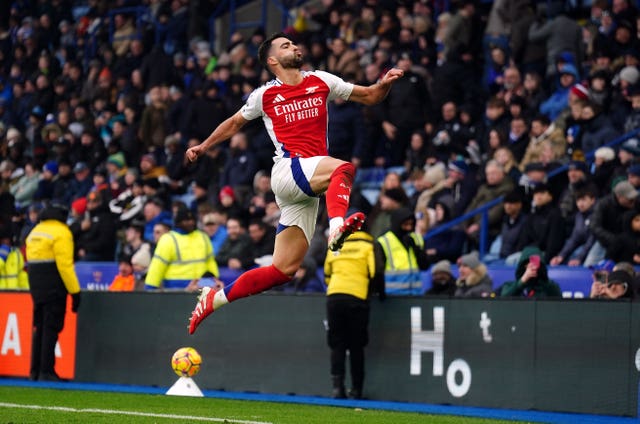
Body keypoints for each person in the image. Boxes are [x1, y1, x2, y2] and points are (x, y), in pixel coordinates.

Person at [187, 32, 403, 334]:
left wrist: (385, 83)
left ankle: (215, 299)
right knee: (343, 169)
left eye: (294, 43)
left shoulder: (321, 81)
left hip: (308, 186)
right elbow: (235, 123)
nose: (295, 47)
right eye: (286, 46)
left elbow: (369, 95)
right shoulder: (264, 95)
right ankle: (337, 226)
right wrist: (204, 146)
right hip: (288, 171)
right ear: (272, 60)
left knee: (282, 270)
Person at [323, 226, 384, 400]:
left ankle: (337, 389)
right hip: (357, 297)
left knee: (337, 345)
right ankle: (357, 389)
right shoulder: (368, 243)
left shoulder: (335, 242)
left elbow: (327, 274)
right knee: (357, 346)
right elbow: (375, 272)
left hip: (334, 297)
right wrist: (378, 292)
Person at [25, 203, 81, 381]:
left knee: (39, 327)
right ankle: (47, 371)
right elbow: (65, 266)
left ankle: (34, 371)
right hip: (54, 283)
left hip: (36, 283)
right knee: (51, 327)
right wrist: (75, 292)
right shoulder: (62, 232)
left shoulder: (35, 231)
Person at [145, 207, 219, 290]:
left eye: (192, 220)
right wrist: (150, 287)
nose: (190, 223)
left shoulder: (203, 237)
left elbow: (210, 261)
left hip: (200, 285)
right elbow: (157, 266)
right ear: (179, 222)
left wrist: (215, 279)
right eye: (186, 221)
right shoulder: (168, 239)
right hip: (175, 288)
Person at [376, 207, 430, 296]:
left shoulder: (417, 239)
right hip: (392, 296)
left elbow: (425, 266)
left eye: (411, 224)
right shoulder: (384, 242)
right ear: (397, 224)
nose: (408, 228)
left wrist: (417, 250)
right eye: (405, 224)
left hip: (416, 293)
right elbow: (378, 271)